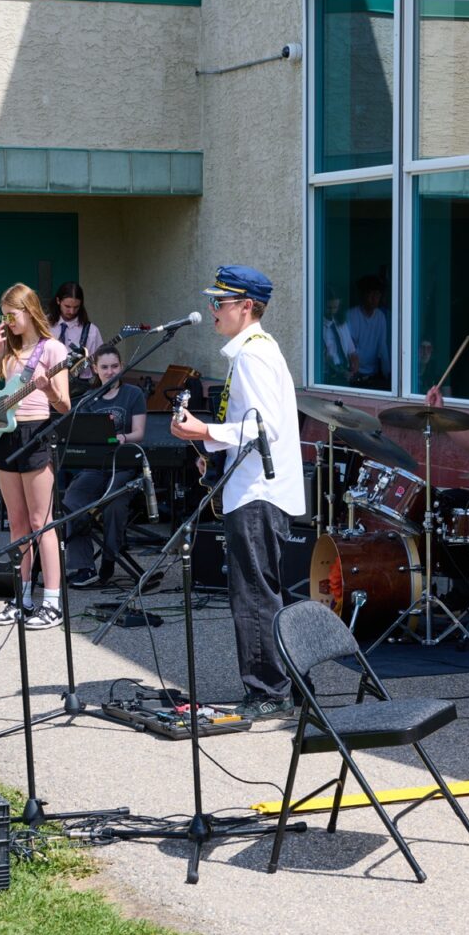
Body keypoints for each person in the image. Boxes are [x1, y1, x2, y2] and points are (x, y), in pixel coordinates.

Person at [170, 264, 305, 720]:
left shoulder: (252, 354)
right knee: (260, 590)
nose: (213, 311)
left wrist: (203, 429)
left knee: (252, 594)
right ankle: (279, 683)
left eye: (220, 303)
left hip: (256, 493)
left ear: (246, 307)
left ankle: (268, 690)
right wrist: (211, 446)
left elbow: (261, 426)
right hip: (254, 488)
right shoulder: (252, 352)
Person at [0, 283, 70, 630]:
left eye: (11, 315)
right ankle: (21, 598)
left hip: (35, 433)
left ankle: (51, 602)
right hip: (5, 434)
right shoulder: (9, 352)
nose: (7, 322)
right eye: (3, 316)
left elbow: (64, 405)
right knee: (16, 522)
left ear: (29, 312)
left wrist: (47, 388)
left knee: (40, 521)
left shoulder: (53, 348)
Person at [64, 344, 147, 587]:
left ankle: (110, 560)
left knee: (114, 504)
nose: (110, 372)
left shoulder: (133, 394)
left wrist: (122, 438)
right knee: (72, 501)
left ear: (121, 366)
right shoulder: (89, 399)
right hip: (93, 466)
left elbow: (139, 433)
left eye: (114, 366)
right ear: (95, 369)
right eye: (104, 367)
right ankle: (84, 567)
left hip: (122, 466)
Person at [47, 282, 103, 384]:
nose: (72, 311)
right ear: (58, 301)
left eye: (76, 307)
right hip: (48, 384)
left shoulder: (91, 330)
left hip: (79, 388)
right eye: (67, 306)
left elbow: (99, 361)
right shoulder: (44, 325)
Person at [347, 274, 391, 389]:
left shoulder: (380, 316)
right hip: (355, 372)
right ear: (363, 295)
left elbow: (382, 346)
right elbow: (350, 349)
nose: (374, 299)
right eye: (371, 294)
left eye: (377, 295)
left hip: (373, 373)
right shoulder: (352, 315)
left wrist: (388, 374)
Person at [322, 285, 358, 385]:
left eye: (335, 307)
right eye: (329, 307)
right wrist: (341, 372)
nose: (332, 311)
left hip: (345, 374)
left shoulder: (341, 324)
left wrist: (354, 365)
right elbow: (325, 358)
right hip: (329, 376)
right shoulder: (318, 328)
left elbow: (352, 351)